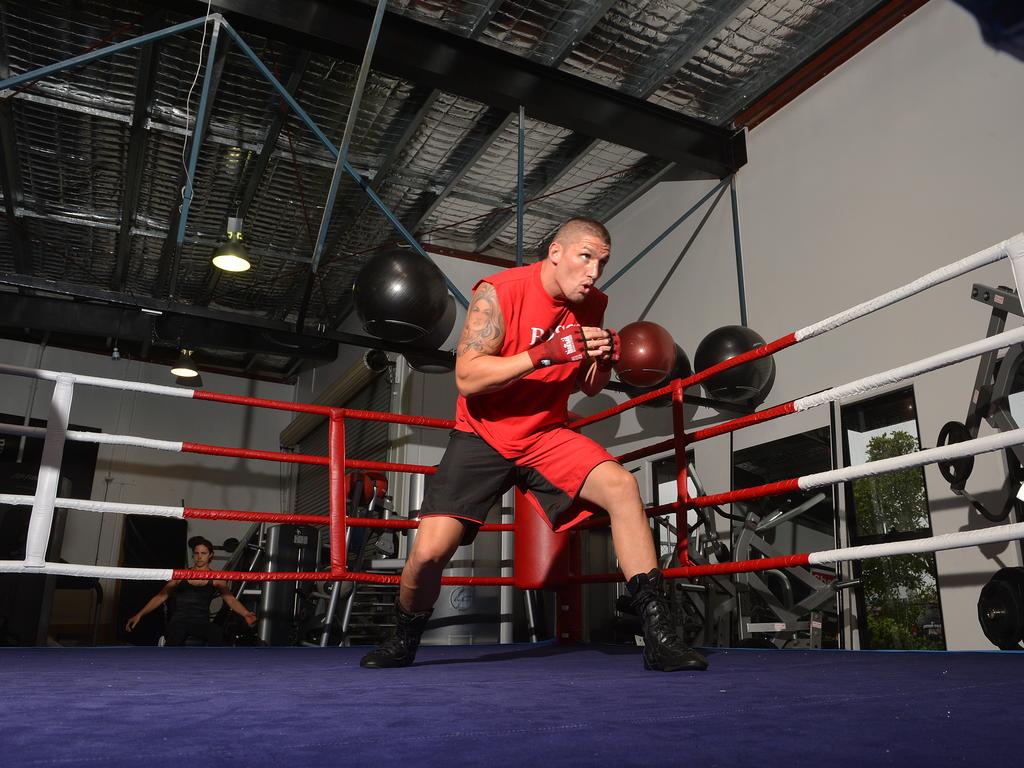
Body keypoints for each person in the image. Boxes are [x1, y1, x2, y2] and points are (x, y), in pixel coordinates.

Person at [361, 217, 708, 672]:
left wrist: (604, 360)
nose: (593, 272)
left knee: (622, 487)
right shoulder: (500, 291)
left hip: (546, 435)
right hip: (483, 434)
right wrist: (544, 352)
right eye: (585, 257)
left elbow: (587, 386)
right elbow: (467, 378)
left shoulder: (592, 303)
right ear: (555, 252)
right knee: (428, 554)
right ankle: (402, 638)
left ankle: (659, 637)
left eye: (601, 262)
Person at [125, 537, 256, 646]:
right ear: (193, 555)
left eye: (203, 553)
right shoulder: (181, 575)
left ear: (210, 555)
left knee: (216, 633)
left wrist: (245, 614)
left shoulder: (217, 578)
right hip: (179, 621)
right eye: (196, 553)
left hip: (201, 622)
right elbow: (160, 597)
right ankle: (165, 643)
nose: (199, 557)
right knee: (174, 639)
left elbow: (230, 599)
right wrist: (139, 614)